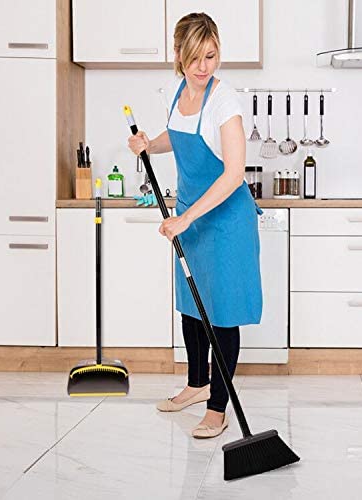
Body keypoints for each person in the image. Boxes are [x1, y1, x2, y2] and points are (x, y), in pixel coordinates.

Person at [128, 12, 262, 439]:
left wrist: (185, 217)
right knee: (191, 305)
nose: (203, 67)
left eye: (211, 55)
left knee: (220, 313)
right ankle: (196, 383)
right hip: (190, 217)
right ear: (178, 55)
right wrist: (149, 144)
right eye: (194, 57)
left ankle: (217, 408)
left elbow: (234, 173)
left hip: (224, 221)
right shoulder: (178, 92)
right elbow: (177, 133)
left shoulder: (225, 101)